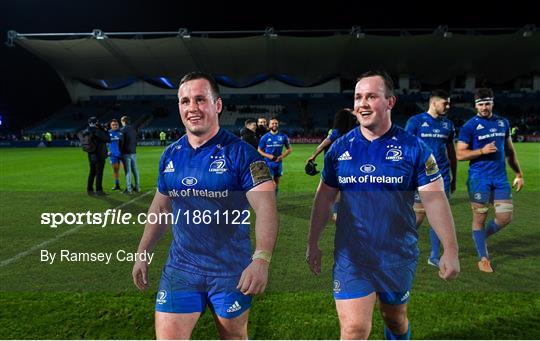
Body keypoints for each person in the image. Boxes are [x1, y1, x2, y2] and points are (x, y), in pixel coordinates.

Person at [306, 70, 459, 340]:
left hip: (397, 254)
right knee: (354, 329)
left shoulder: (415, 148)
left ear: (390, 102)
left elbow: (434, 199)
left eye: (371, 96)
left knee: (395, 319)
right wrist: (313, 242)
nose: (362, 103)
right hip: (351, 256)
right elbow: (324, 198)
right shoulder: (340, 149)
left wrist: (450, 249)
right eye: (358, 97)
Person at [132, 71, 278, 339]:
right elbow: (161, 209)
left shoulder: (242, 154)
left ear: (217, 105)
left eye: (200, 99)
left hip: (230, 272)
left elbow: (266, 208)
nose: (192, 108)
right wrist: (142, 252)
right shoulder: (171, 155)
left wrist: (261, 259)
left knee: (233, 337)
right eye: (185, 101)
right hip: (181, 268)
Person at [456, 88, 524, 273]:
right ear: (475, 106)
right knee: (480, 218)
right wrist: (481, 151)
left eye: (487, 103)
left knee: (505, 217)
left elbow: (510, 151)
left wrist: (518, 174)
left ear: (493, 103)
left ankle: (479, 237)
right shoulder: (469, 126)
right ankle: (483, 258)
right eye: (480, 104)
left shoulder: (503, 123)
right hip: (479, 179)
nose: (484, 107)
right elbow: (460, 154)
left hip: (500, 178)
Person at [405, 89, 457, 268]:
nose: (448, 106)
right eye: (445, 103)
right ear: (433, 103)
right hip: (421, 176)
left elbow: (451, 152)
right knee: (418, 215)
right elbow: (406, 149)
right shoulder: (416, 122)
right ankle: (398, 243)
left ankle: (434, 255)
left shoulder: (448, 125)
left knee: (439, 216)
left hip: (442, 176)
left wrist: (454, 176)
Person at [306, 108, 357, 221]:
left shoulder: (339, 131)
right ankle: (335, 211)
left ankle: (332, 211)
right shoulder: (350, 131)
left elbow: (324, 144)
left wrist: (313, 155)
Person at [257, 118, 292, 195]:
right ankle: (269, 198)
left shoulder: (283, 136)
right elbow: (259, 150)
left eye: (276, 123)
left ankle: (274, 199)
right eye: (272, 123)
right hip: (268, 163)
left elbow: (289, 149)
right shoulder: (265, 137)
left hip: (278, 163)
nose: (274, 125)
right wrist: (268, 156)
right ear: (269, 125)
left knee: (276, 183)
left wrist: (281, 156)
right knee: (271, 184)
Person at [81, 117, 110, 196]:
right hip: (99, 155)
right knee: (99, 173)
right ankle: (99, 190)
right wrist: (105, 130)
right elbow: (108, 139)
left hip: (91, 155)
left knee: (92, 172)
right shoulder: (97, 131)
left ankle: (89, 189)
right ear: (96, 122)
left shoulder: (85, 131)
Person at [120, 115, 140, 194]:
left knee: (127, 171)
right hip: (133, 152)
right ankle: (137, 187)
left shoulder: (122, 130)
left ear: (124, 121)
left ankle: (129, 189)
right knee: (135, 170)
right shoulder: (133, 129)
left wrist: (120, 152)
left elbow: (121, 142)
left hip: (126, 153)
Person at [108, 119, 123, 190]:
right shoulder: (108, 133)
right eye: (113, 125)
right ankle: (117, 184)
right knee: (115, 170)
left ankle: (129, 185)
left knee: (126, 170)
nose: (115, 126)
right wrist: (106, 151)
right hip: (113, 155)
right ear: (111, 125)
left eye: (116, 124)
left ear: (118, 125)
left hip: (122, 155)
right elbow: (104, 144)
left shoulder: (121, 132)